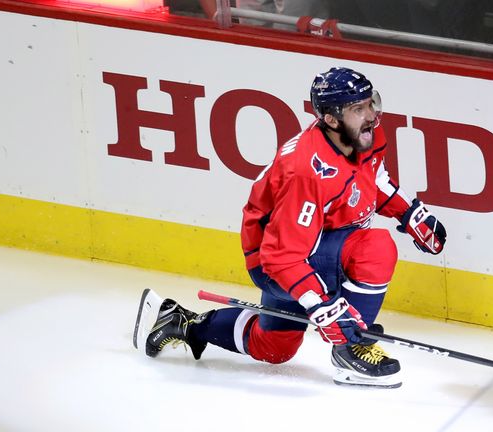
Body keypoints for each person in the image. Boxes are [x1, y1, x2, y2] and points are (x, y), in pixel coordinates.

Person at [133, 67, 447, 389]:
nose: (371, 116)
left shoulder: (362, 135)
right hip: (278, 261)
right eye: (358, 109)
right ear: (331, 119)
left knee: (274, 350)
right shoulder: (306, 171)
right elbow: (281, 257)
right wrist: (322, 306)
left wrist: (408, 213)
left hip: (313, 248)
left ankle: (183, 323)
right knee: (375, 248)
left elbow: (369, 180)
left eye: (371, 103)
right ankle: (352, 347)